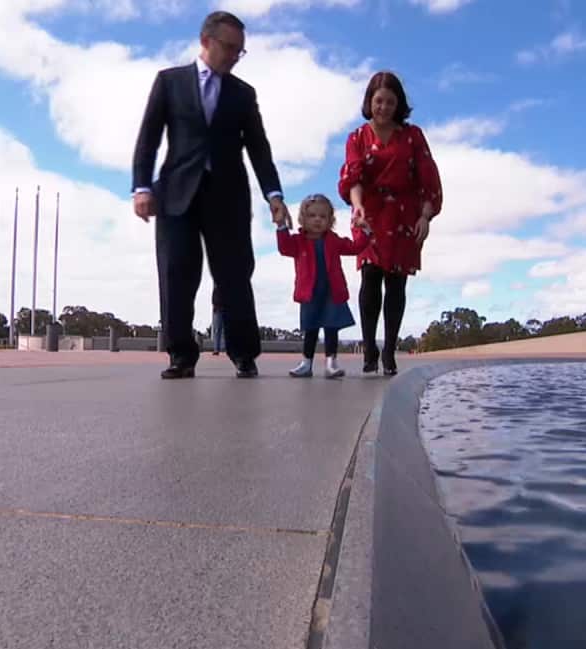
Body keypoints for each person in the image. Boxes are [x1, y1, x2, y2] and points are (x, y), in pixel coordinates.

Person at [131, 10, 291, 379]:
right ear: (206, 42)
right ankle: (181, 356)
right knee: (176, 273)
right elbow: (148, 138)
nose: (235, 56)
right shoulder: (169, 82)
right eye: (230, 48)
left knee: (234, 275)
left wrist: (274, 195)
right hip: (175, 196)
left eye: (241, 51)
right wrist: (141, 187)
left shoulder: (243, 94)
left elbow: (259, 148)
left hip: (228, 197)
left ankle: (244, 353)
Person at [338, 71, 442, 376]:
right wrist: (357, 207)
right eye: (378, 101)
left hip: (404, 216)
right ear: (370, 102)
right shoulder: (356, 137)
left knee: (396, 282)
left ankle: (389, 351)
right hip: (368, 212)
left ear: (399, 105)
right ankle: (369, 348)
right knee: (370, 276)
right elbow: (353, 177)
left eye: (390, 102)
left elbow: (428, 179)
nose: (383, 107)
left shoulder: (413, 136)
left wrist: (425, 215)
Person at [277, 194, 372, 378]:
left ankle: (331, 363)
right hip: (309, 293)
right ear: (303, 219)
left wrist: (365, 232)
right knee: (311, 329)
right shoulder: (298, 241)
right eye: (312, 216)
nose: (317, 220)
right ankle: (306, 363)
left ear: (330, 220)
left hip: (332, 292)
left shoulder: (333, 240)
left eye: (323, 216)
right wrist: (281, 226)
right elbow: (284, 248)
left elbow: (354, 248)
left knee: (331, 328)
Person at [210, 285, 225, 356]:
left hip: (226, 310)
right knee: (217, 330)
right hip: (218, 310)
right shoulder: (216, 289)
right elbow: (213, 300)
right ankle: (216, 349)